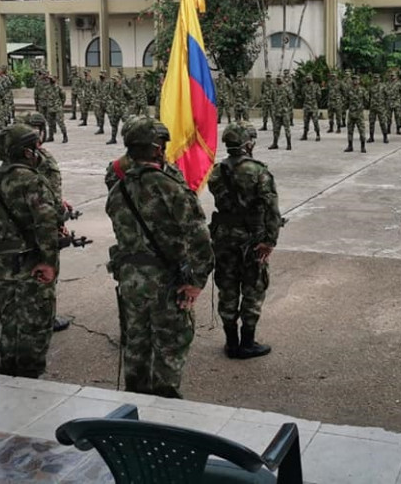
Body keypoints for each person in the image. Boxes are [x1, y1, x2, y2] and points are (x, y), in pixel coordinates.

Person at [105, 117, 214, 398]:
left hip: (130, 280)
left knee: (136, 344)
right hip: (166, 282)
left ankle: (135, 402)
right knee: (170, 344)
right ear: (156, 149)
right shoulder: (170, 187)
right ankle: (165, 408)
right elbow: (199, 238)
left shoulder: (118, 189)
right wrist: (198, 281)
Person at [0, 124, 61, 378]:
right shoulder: (33, 181)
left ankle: (7, 368)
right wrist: (49, 261)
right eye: (35, 148)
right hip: (30, 263)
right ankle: (29, 377)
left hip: (1, 263)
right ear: (26, 153)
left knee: (9, 319)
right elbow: (46, 223)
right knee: (35, 323)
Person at [208, 123, 280, 360]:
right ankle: (247, 342)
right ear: (248, 143)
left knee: (227, 288)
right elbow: (271, 209)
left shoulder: (217, 171)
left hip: (223, 238)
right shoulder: (258, 171)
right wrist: (270, 240)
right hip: (252, 239)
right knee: (253, 288)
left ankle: (231, 342)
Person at [18, 112, 73, 331]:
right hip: (40, 225)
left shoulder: (13, 158)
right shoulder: (43, 159)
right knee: (45, 269)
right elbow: (50, 198)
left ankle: (22, 312)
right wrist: (59, 219)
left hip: (16, 226)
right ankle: (44, 318)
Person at [344, 74, 368, 153]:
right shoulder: (349, 90)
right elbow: (346, 100)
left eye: (356, 79)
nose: (355, 81)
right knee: (350, 130)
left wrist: (361, 107)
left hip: (359, 114)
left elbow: (367, 100)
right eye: (353, 80)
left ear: (359, 81)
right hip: (351, 113)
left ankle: (363, 146)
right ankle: (350, 146)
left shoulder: (363, 90)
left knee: (362, 130)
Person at [268, 75, 292, 151]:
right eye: (277, 79)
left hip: (284, 112)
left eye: (280, 79)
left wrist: (287, 108)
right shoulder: (274, 88)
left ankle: (289, 144)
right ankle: (275, 143)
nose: (278, 80)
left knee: (287, 129)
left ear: (282, 79)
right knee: (275, 129)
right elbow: (272, 98)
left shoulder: (287, 88)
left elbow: (291, 99)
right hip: (277, 112)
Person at [300, 74, 321, 141]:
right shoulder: (304, 87)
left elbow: (319, 95)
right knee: (306, 122)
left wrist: (314, 101)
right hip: (306, 106)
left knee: (315, 121)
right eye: (307, 78)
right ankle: (305, 135)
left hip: (313, 106)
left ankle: (318, 135)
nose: (308, 79)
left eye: (309, 78)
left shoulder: (316, 86)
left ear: (311, 79)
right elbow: (303, 95)